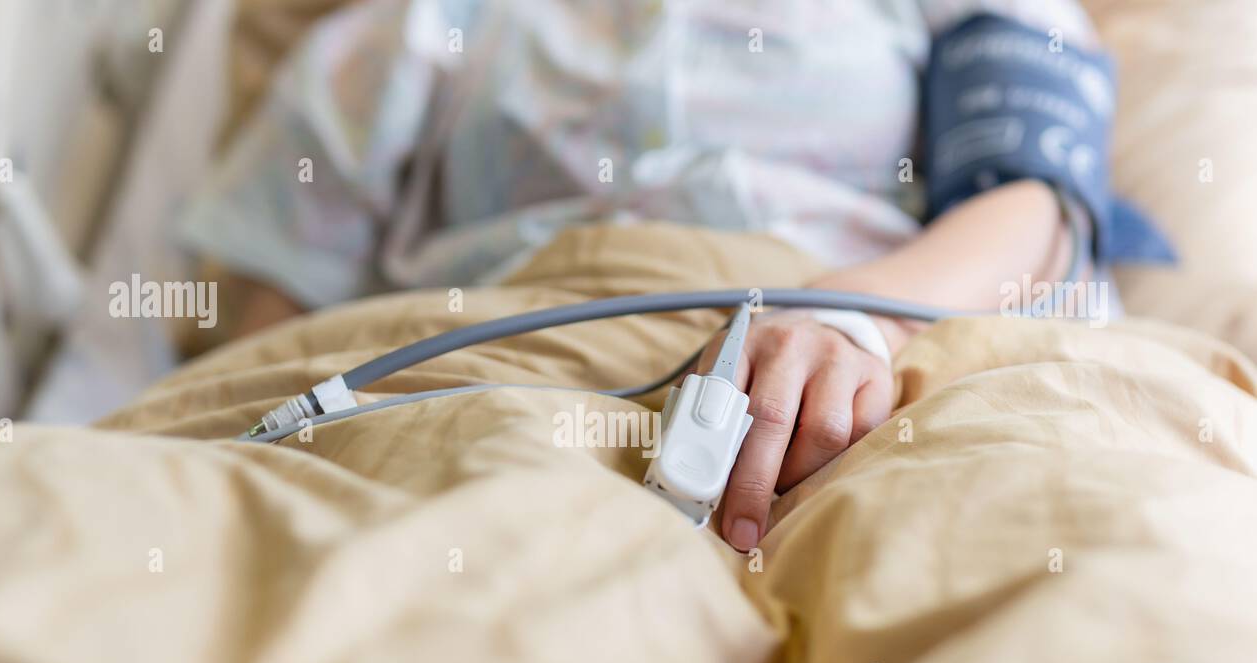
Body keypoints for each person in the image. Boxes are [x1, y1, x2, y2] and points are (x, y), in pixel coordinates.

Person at [180, 0, 1106, 551]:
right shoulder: (424, 24)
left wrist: (854, 326)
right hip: (498, 360)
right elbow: (274, 329)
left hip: (880, 361)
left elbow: (1034, 204)